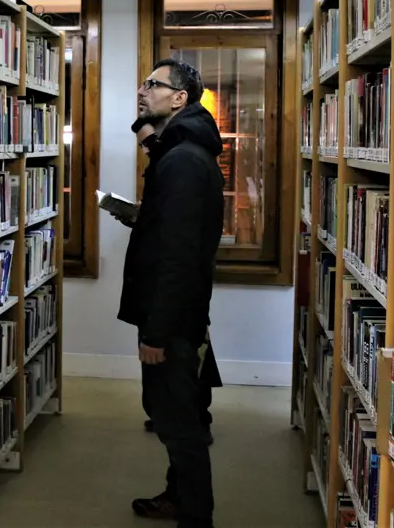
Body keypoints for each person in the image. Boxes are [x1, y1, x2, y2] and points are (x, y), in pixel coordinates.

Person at [118, 58, 224, 528]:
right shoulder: (185, 148)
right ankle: (178, 497)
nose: (142, 91)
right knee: (181, 414)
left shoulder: (182, 160)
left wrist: (156, 333)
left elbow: (176, 257)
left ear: (180, 98)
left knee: (178, 423)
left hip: (172, 320)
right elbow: (174, 225)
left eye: (153, 85)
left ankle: (195, 517)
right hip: (183, 312)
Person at [127, 117, 223, 438]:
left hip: (176, 289)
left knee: (181, 362)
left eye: (148, 142)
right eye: (142, 145)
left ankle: (192, 421)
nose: (146, 149)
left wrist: (155, 333)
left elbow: (180, 247)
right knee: (176, 365)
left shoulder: (181, 162)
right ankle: (171, 417)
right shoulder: (170, 160)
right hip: (172, 288)